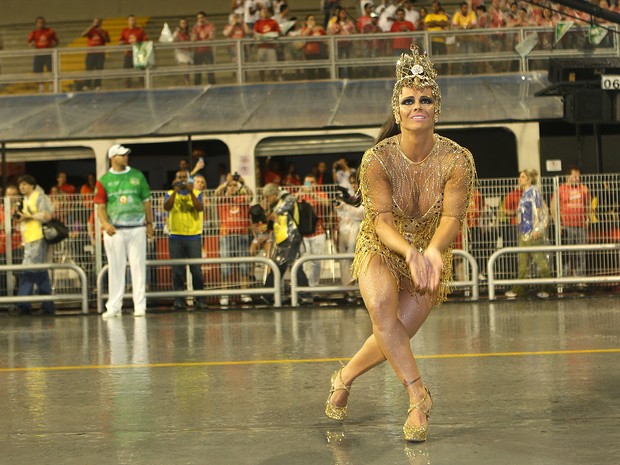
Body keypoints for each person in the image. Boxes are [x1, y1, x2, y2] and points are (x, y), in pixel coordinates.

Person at [324, 46, 476, 443]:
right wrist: (407, 251)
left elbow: (451, 220)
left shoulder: (458, 161)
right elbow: (381, 220)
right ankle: (417, 397)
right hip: (382, 246)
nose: (417, 106)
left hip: (431, 254)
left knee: (394, 333)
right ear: (398, 112)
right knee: (381, 311)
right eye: (408, 101)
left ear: (436, 109)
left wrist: (429, 253)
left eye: (425, 99)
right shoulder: (376, 159)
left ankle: (344, 376)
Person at [94, 144, 154, 318]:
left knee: (138, 266)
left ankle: (140, 305)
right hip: (115, 230)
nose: (126, 157)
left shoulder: (137, 175)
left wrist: (149, 224)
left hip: (137, 228)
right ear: (113, 158)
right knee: (115, 267)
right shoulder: (104, 180)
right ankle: (113, 306)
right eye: (122, 155)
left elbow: (146, 201)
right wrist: (105, 223)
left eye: (127, 155)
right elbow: (100, 205)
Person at [505, 169, 552, 299]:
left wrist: (536, 230)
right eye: (520, 177)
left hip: (532, 232)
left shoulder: (534, 191)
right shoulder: (525, 193)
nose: (520, 179)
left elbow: (538, 212)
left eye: (523, 177)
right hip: (524, 232)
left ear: (529, 179)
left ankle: (548, 287)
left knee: (540, 261)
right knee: (523, 262)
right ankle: (519, 288)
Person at [261, 183, 312, 303]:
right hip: (283, 239)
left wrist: (267, 212)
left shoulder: (287, 198)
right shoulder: (278, 202)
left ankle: (305, 295)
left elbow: (278, 212)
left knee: (292, 265)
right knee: (280, 265)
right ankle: (268, 294)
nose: (267, 200)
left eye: (267, 197)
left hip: (290, 238)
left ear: (273, 194)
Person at [163, 170, 205, 311]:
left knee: (196, 270)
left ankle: (200, 300)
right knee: (178, 271)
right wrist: (175, 192)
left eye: (184, 178)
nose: (182, 181)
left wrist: (191, 192)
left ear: (189, 180)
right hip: (176, 236)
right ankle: (179, 301)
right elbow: (166, 207)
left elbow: (200, 208)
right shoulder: (170, 193)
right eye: (179, 178)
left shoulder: (197, 193)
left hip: (193, 236)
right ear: (175, 180)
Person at [14, 175, 56, 315]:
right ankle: (47, 306)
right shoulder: (25, 199)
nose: (22, 187)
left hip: (38, 237)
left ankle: (23, 304)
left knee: (28, 270)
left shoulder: (39, 196)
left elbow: (47, 215)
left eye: (25, 184)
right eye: (20, 185)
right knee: (39, 272)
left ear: (32, 185)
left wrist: (28, 217)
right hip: (29, 238)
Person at [214, 173, 254, 306]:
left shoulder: (242, 199)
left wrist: (243, 183)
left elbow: (251, 196)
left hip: (242, 235)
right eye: (230, 186)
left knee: (243, 266)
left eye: (234, 186)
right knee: (225, 267)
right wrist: (226, 182)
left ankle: (245, 294)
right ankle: (224, 295)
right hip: (226, 236)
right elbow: (216, 193)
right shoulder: (223, 200)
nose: (232, 188)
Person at [551, 167, 590, 280]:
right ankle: (565, 279)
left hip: (580, 225)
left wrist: (587, 218)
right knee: (566, 254)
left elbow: (587, 204)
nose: (577, 179)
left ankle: (580, 279)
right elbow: (553, 207)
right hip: (566, 226)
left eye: (578, 176)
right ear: (568, 177)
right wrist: (557, 223)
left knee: (581, 254)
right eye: (575, 176)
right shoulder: (560, 189)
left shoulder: (583, 188)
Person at [27, 16, 59, 92]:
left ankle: (52, 85)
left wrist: (53, 45)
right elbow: (29, 42)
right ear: (36, 24)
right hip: (38, 54)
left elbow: (56, 41)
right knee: (38, 70)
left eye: (42, 22)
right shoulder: (34, 33)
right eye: (39, 23)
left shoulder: (50, 31)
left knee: (51, 69)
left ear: (44, 23)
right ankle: (41, 85)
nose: (40, 24)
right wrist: (32, 45)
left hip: (48, 53)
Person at [81, 18, 110, 90]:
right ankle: (87, 84)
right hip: (91, 53)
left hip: (100, 53)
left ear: (100, 23)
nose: (96, 24)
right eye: (95, 22)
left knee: (99, 69)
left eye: (98, 22)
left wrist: (102, 33)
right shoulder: (90, 31)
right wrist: (91, 27)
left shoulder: (104, 31)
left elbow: (108, 40)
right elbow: (82, 34)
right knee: (89, 69)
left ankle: (97, 85)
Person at [119, 15, 147, 88]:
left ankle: (143, 88)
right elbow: (120, 41)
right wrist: (124, 43)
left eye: (134, 20)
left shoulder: (140, 30)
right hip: (128, 54)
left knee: (141, 73)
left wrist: (137, 44)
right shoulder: (125, 30)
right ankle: (127, 89)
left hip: (138, 54)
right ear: (128, 21)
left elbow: (145, 41)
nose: (132, 22)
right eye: (131, 20)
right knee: (127, 73)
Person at [192, 11, 216, 85]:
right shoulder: (195, 27)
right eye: (198, 18)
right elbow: (193, 39)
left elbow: (211, 37)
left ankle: (212, 85)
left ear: (205, 18)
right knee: (197, 71)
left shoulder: (210, 26)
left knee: (210, 70)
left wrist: (208, 36)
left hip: (208, 51)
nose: (200, 19)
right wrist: (196, 32)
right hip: (198, 51)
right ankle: (197, 86)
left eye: (202, 17)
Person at [173, 18, 193, 86]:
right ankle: (186, 85)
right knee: (185, 70)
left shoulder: (189, 32)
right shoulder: (176, 32)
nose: (183, 24)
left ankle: (187, 85)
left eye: (184, 23)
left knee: (187, 72)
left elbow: (192, 40)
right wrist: (177, 33)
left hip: (188, 53)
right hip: (181, 54)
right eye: (182, 23)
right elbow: (173, 40)